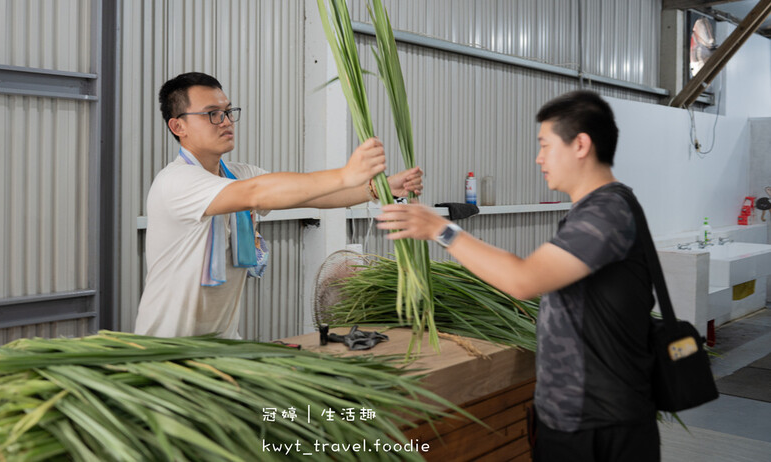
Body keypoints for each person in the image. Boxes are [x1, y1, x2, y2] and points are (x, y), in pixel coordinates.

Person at [376, 90, 659, 462]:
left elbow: (523, 280)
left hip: (599, 423)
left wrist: (441, 230)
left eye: (545, 145)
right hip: (581, 415)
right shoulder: (596, 209)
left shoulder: (605, 214)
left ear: (581, 145)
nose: (538, 158)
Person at [135, 72, 423, 339]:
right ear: (178, 126)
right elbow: (258, 193)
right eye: (212, 114)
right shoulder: (176, 182)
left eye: (227, 112)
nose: (225, 121)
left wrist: (376, 188)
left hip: (221, 345)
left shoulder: (238, 174)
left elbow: (309, 196)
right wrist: (344, 174)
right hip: (168, 346)